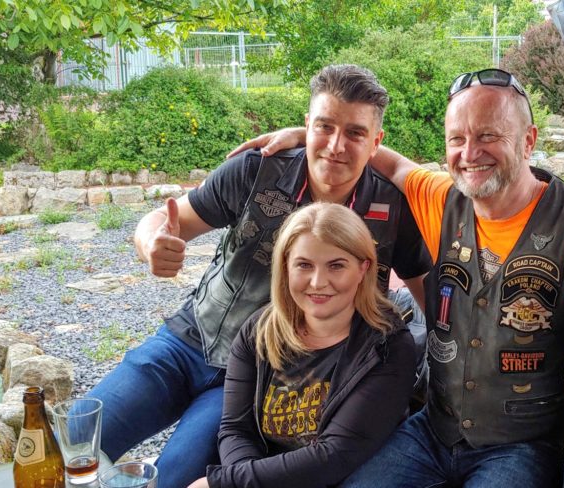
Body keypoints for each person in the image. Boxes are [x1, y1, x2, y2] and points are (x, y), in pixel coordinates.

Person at [237, 68, 564, 487]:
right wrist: (312, 136)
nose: (469, 154)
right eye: (456, 138)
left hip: (519, 447)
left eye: (488, 136)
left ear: (528, 140)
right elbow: (389, 162)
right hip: (432, 430)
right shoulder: (439, 197)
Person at [87, 64, 431, 488]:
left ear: (376, 142)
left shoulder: (393, 207)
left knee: (175, 476)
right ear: (307, 124)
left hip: (266, 373)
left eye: (355, 133)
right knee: (75, 439)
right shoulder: (257, 171)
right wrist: (151, 244)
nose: (336, 145)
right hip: (188, 340)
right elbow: (165, 220)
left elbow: (432, 301)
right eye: (323, 126)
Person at [186, 202, 417, 488]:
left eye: (336, 266)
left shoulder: (388, 347)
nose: (318, 282)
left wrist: (227, 483)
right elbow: (236, 429)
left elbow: (335, 456)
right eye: (304, 265)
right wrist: (243, 481)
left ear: (363, 268)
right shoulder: (259, 332)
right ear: (285, 267)